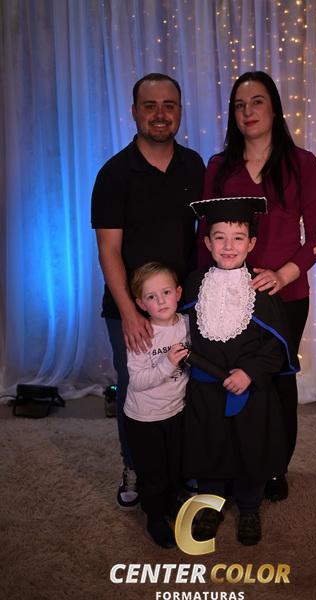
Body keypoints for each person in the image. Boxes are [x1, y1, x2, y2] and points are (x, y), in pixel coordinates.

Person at [197, 71, 316, 501]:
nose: (248, 111)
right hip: (226, 294)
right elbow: (203, 235)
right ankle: (231, 464)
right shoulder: (219, 168)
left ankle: (275, 467)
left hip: (284, 297)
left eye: (257, 102)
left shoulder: (302, 164)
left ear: (274, 109)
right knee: (229, 378)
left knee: (275, 381)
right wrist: (199, 292)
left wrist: (283, 274)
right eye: (239, 105)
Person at [91, 73, 204, 510]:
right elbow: (108, 250)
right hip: (131, 307)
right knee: (136, 389)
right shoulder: (114, 174)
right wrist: (129, 312)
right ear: (134, 111)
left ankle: (180, 466)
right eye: (150, 105)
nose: (160, 114)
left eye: (169, 105)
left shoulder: (194, 166)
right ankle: (134, 465)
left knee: (184, 383)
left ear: (180, 111)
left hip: (183, 305)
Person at [182, 196, 299, 546]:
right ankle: (210, 506)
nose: (228, 246)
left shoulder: (262, 288)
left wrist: (249, 373)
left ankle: (249, 507)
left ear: (251, 243)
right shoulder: (194, 283)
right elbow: (179, 327)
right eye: (219, 237)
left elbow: (276, 345)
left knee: (251, 447)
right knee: (209, 447)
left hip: (250, 390)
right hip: (205, 389)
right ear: (207, 243)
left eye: (238, 238)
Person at [124, 262, 189, 548]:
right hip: (144, 418)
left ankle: (171, 503)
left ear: (178, 293)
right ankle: (154, 519)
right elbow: (137, 382)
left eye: (166, 292)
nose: (161, 301)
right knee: (153, 473)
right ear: (141, 303)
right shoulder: (141, 333)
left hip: (176, 410)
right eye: (151, 296)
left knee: (175, 466)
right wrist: (167, 363)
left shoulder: (186, 324)